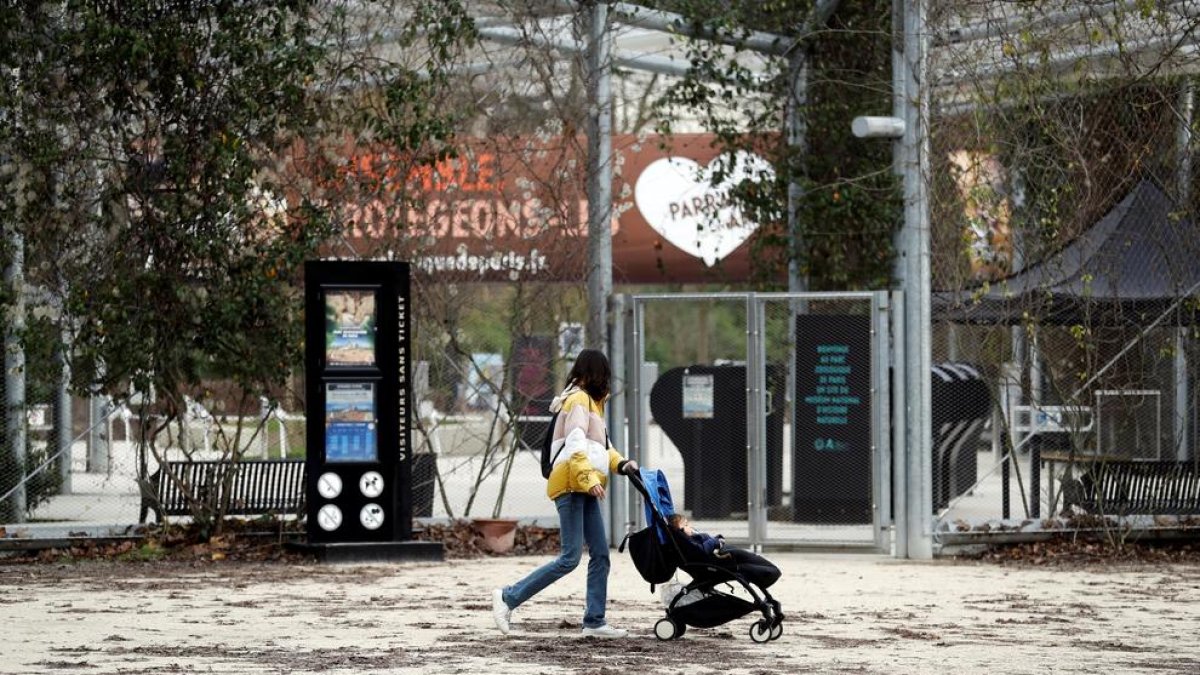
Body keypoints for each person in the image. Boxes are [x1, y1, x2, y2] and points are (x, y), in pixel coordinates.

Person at [492, 349, 639, 638]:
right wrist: (587, 478)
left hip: (584, 486)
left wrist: (621, 464)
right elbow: (575, 445)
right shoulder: (578, 400)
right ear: (593, 374)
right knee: (570, 558)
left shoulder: (594, 405)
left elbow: (602, 449)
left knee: (600, 554)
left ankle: (594, 621)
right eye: (604, 375)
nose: (606, 381)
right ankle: (508, 597)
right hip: (572, 486)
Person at [667, 514, 781, 589]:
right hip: (717, 564)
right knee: (752, 567)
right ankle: (767, 574)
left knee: (755, 564)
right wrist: (716, 541)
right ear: (680, 530)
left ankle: (768, 573)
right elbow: (700, 551)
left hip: (722, 557)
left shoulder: (689, 539)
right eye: (686, 525)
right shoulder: (686, 541)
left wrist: (716, 540)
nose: (690, 527)